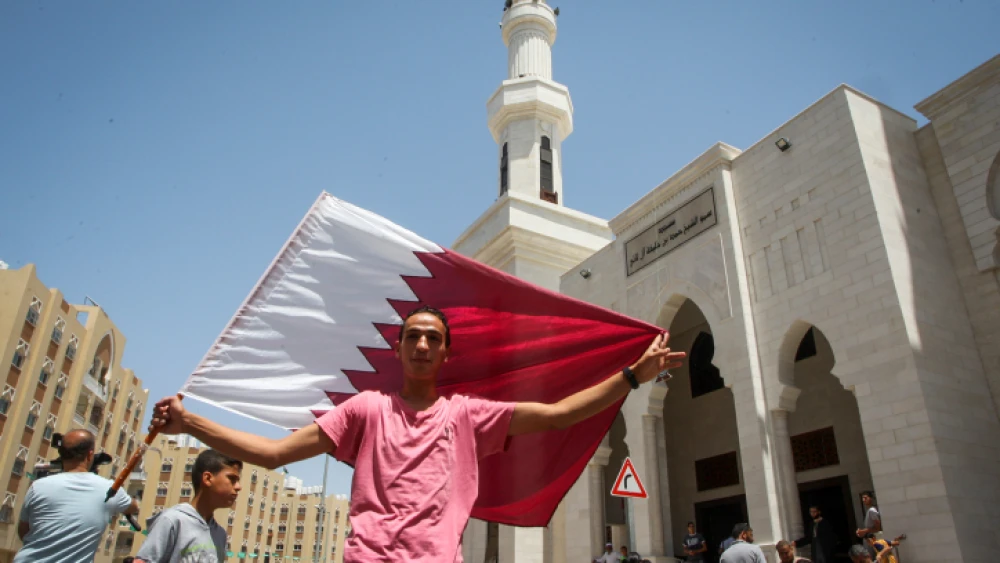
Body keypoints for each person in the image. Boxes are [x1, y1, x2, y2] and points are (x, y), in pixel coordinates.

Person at [150, 306, 685, 562]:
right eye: (414, 337)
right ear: (400, 349)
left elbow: (560, 412)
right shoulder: (364, 409)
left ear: (447, 352)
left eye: (433, 338)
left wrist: (634, 377)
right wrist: (189, 422)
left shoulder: (468, 415)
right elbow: (271, 454)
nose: (423, 345)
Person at [14, 429, 140, 562]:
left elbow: (23, 532)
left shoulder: (37, 486)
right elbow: (134, 507)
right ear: (90, 455)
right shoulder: (109, 490)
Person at [133, 449, 241, 563]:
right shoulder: (172, 520)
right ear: (208, 479)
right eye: (232, 479)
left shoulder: (220, 534)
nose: (238, 487)